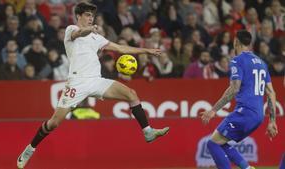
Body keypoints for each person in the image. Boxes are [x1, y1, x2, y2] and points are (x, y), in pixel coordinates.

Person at [17, 2, 169, 169]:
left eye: (92, 16)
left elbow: (120, 48)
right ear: (79, 16)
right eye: (88, 15)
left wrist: (146, 50)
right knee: (54, 123)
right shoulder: (70, 30)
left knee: (131, 94)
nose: (91, 18)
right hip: (77, 82)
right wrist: (89, 29)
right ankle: (30, 149)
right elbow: (78, 33)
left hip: (96, 80)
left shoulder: (97, 38)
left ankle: (148, 132)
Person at [200, 30, 278, 169]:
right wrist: (272, 121)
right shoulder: (261, 63)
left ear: (236, 42)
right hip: (258, 116)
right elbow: (271, 92)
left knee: (212, 144)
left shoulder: (237, 60)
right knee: (221, 142)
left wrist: (213, 110)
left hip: (244, 112)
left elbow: (234, 89)